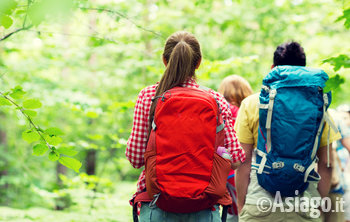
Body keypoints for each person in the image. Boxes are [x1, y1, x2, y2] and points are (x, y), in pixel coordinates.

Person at [126, 31, 245, 222]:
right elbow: (236, 159)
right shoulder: (215, 100)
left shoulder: (149, 97)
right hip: (204, 206)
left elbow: (135, 157)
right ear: (198, 63)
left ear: (165, 61)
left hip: (157, 203)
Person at [234, 41, 341, 222]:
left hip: (259, 204)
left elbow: (242, 161)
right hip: (304, 206)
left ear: (272, 68)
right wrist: (318, 204)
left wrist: (242, 204)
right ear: (303, 71)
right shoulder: (318, 107)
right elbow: (327, 164)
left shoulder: (252, 103)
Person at [218, 75, 253, 222]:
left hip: (222, 173)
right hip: (243, 172)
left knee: (230, 214)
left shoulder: (218, 111)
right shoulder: (245, 112)